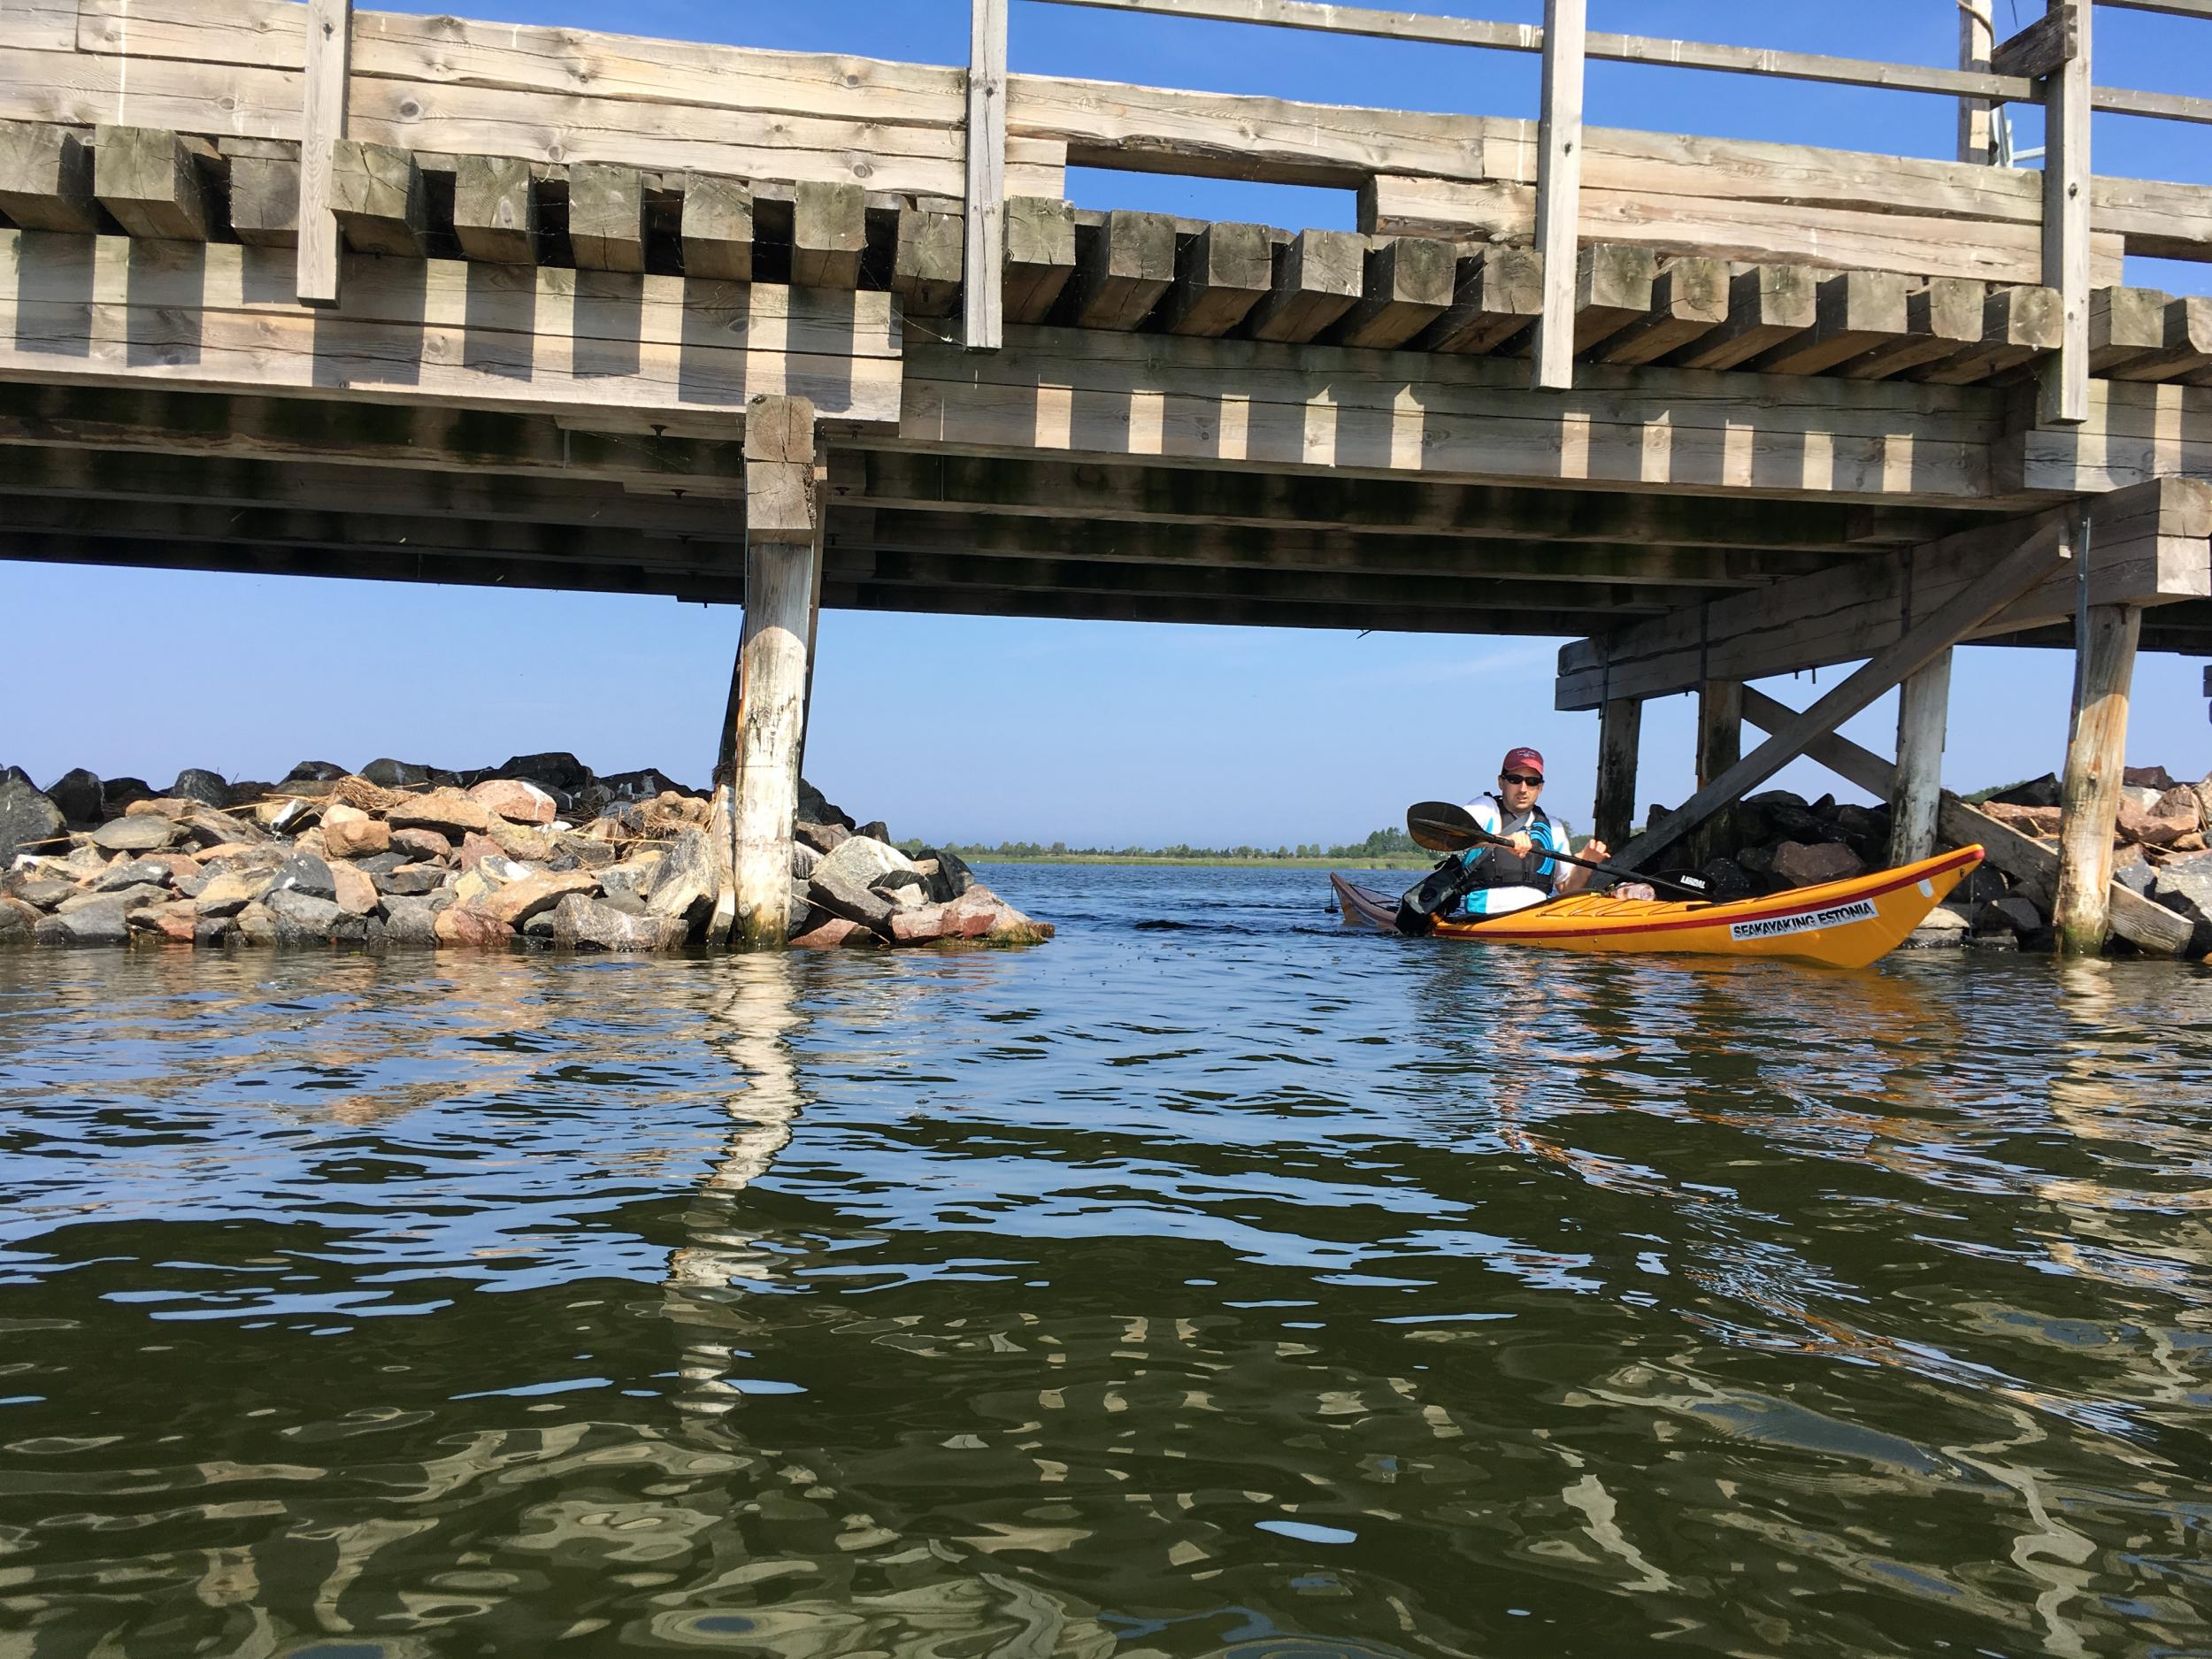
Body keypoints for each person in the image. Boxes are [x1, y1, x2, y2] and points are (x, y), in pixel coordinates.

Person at [1451, 747, 1609, 916]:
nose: (1523, 789)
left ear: (1540, 787)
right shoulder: (1485, 808)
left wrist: (1586, 864)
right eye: (1515, 779)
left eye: (1532, 782)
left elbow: (1567, 888)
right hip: (1484, 919)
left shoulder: (1553, 826)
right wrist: (1503, 841)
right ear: (1501, 782)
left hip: (1536, 919)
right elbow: (1452, 836)